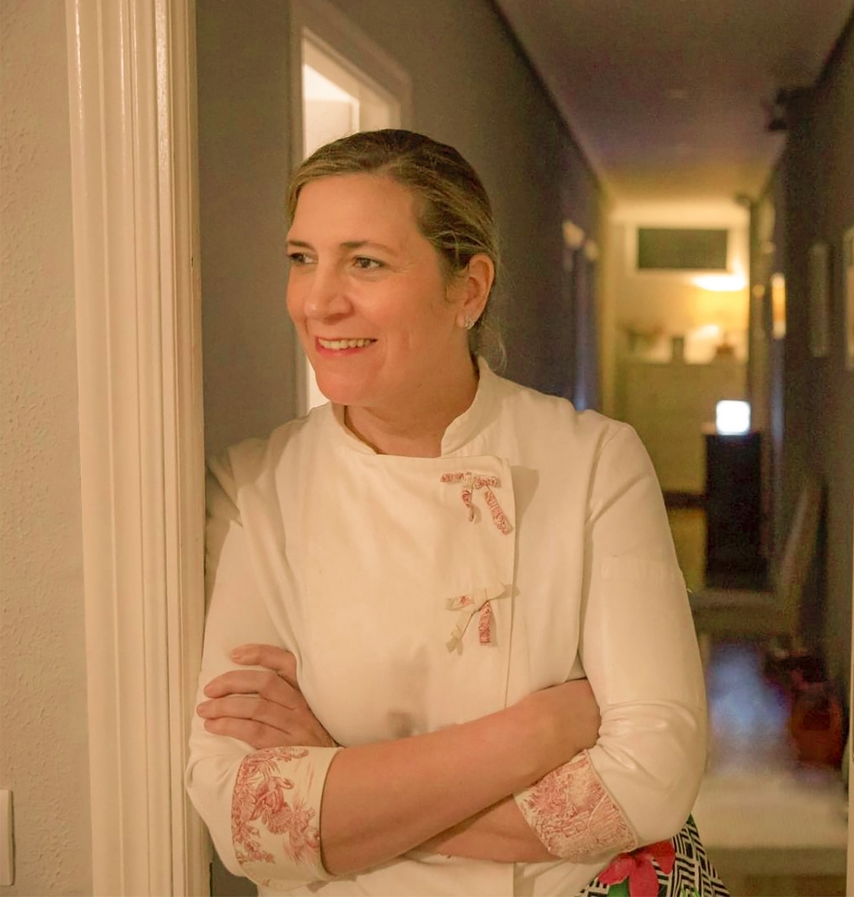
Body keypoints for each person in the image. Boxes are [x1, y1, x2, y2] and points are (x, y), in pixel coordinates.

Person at [186, 129, 707, 896]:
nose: (318, 301)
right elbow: (243, 818)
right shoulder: (252, 490)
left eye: (365, 262)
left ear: (468, 289)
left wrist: (340, 778)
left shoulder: (593, 461)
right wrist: (535, 734)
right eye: (302, 258)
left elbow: (652, 780)